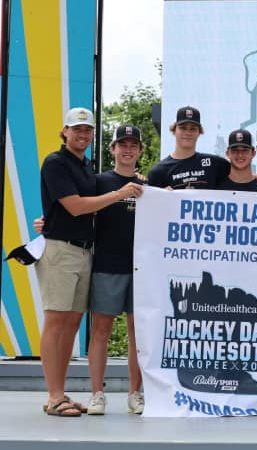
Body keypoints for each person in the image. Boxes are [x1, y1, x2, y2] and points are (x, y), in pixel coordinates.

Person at [37, 108, 142, 416]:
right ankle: (54, 396)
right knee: (56, 322)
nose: (82, 135)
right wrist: (119, 193)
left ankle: (61, 393)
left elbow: (79, 207)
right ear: (64, 132)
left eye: (87, 130)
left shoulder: (86, 168)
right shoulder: (55, 162)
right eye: (77, 129)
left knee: (71, 324)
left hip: (85, 252)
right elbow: (74, 206)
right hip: (60, 250)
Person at [85, 125, 146, 415]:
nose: (128, 149)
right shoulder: (99, 181)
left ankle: (136, 393)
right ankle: (97, 394)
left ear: (140, 151)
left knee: (138, 333)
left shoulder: (149, 184)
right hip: (107, 265)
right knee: (101, 330)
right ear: (112, 149)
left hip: (142, 269)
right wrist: (47, 222)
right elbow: (78, 208)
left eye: (133, 145)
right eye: (122, 144)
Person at [148, 106, 257, 194]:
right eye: (183, 128)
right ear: (174, 130)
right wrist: (162, 197)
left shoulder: (213, 163)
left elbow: (244, 172)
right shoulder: (159, 171)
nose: (187, 133)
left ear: (199, 132)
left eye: (193, 129)